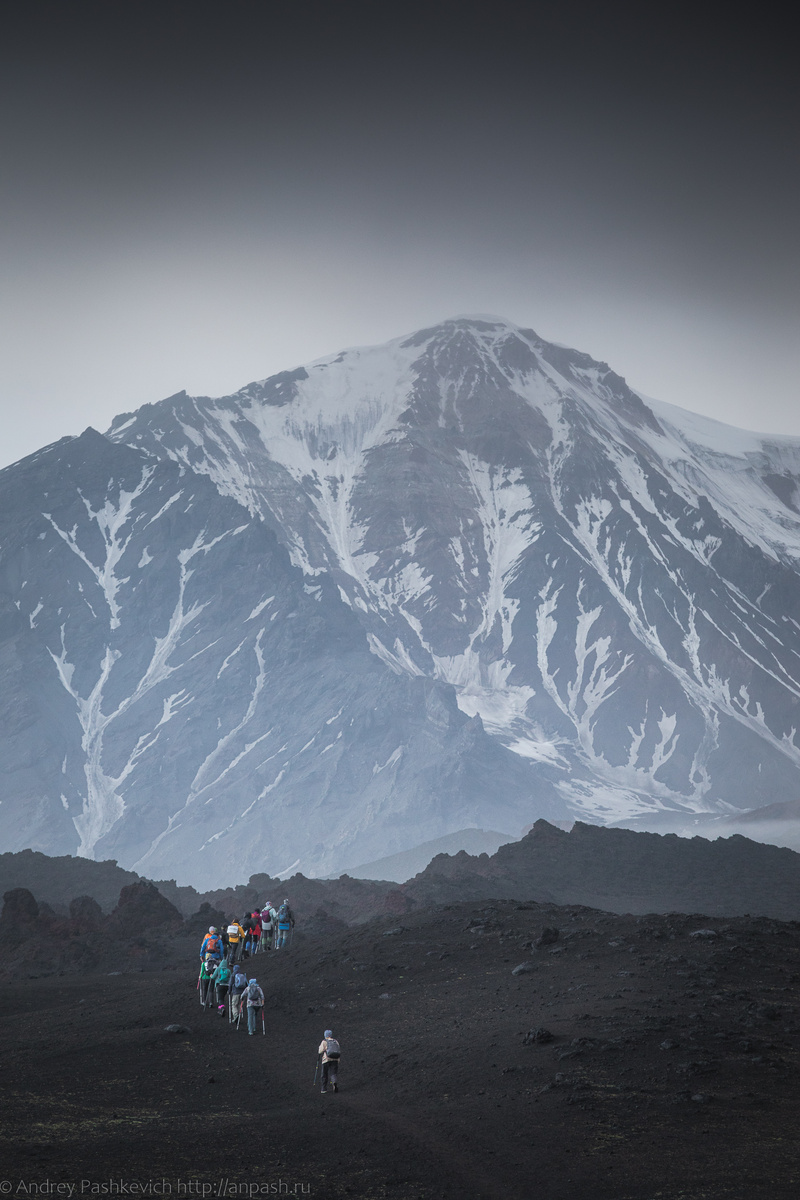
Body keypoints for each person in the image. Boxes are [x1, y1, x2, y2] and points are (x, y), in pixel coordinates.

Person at [318, 1029, 341, 1094]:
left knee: (324, 1074)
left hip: (326, 1060)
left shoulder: (324, 1041)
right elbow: (338, 1050)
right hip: (335, 1059)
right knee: (333, 1073)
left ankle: (323, 1089)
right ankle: (334, 1083)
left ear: (325, 1035)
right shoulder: (336, 1041)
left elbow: (320, 1051)